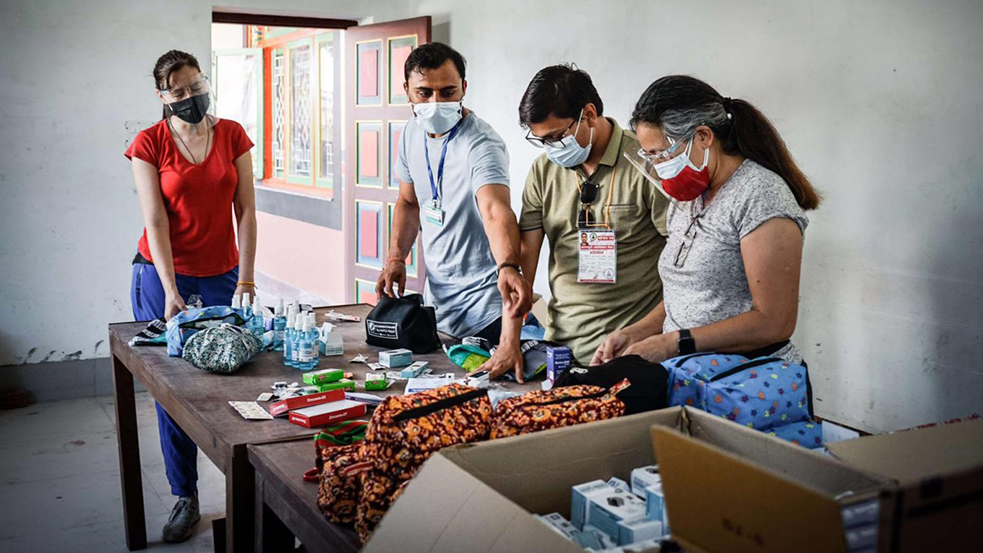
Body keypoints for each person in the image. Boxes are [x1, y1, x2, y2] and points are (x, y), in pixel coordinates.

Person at [592, 75, 821, 367]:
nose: (658, 166)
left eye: (661, 154)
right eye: (649, 157)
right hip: (691, 374)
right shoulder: (690, 197)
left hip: (745, 383)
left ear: (703, 137)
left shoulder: (761, 195)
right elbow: (691, 296)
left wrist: (673, 343)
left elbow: (773, 323)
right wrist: (634, 333)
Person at [125, 50, 257, 543]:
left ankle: (246, 482)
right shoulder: (149, 143)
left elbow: (245, 210)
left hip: (224, 274)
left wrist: (246, 278)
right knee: (173, 391)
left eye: (196, 85)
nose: (190, 97)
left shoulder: (233, 134)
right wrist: (171, 289)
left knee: (233, 377)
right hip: (161, 276)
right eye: (178, 92)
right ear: (163, 97)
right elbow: (155, 220)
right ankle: (185, 495)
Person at [485, 65, 669, 377]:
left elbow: (686, 266)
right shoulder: (544, 171)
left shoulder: (646, 162)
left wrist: (647, 336)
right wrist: (508, 340)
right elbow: (524, 264)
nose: (552, 148)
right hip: (561, 350)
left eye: (558, 136)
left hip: (632, 351)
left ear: (589, 113)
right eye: (542, 140)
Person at [378, 42, 532, 376]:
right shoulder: (411, 133)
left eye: (448, 92)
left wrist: (508, 265)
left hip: (488, 308)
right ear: (407, 91)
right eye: (424, 93)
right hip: (439, 308)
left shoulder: (481, 144)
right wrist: (395, 257)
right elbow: (408, 201)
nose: (436, 103)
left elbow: (495, 209)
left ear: (465, 87)